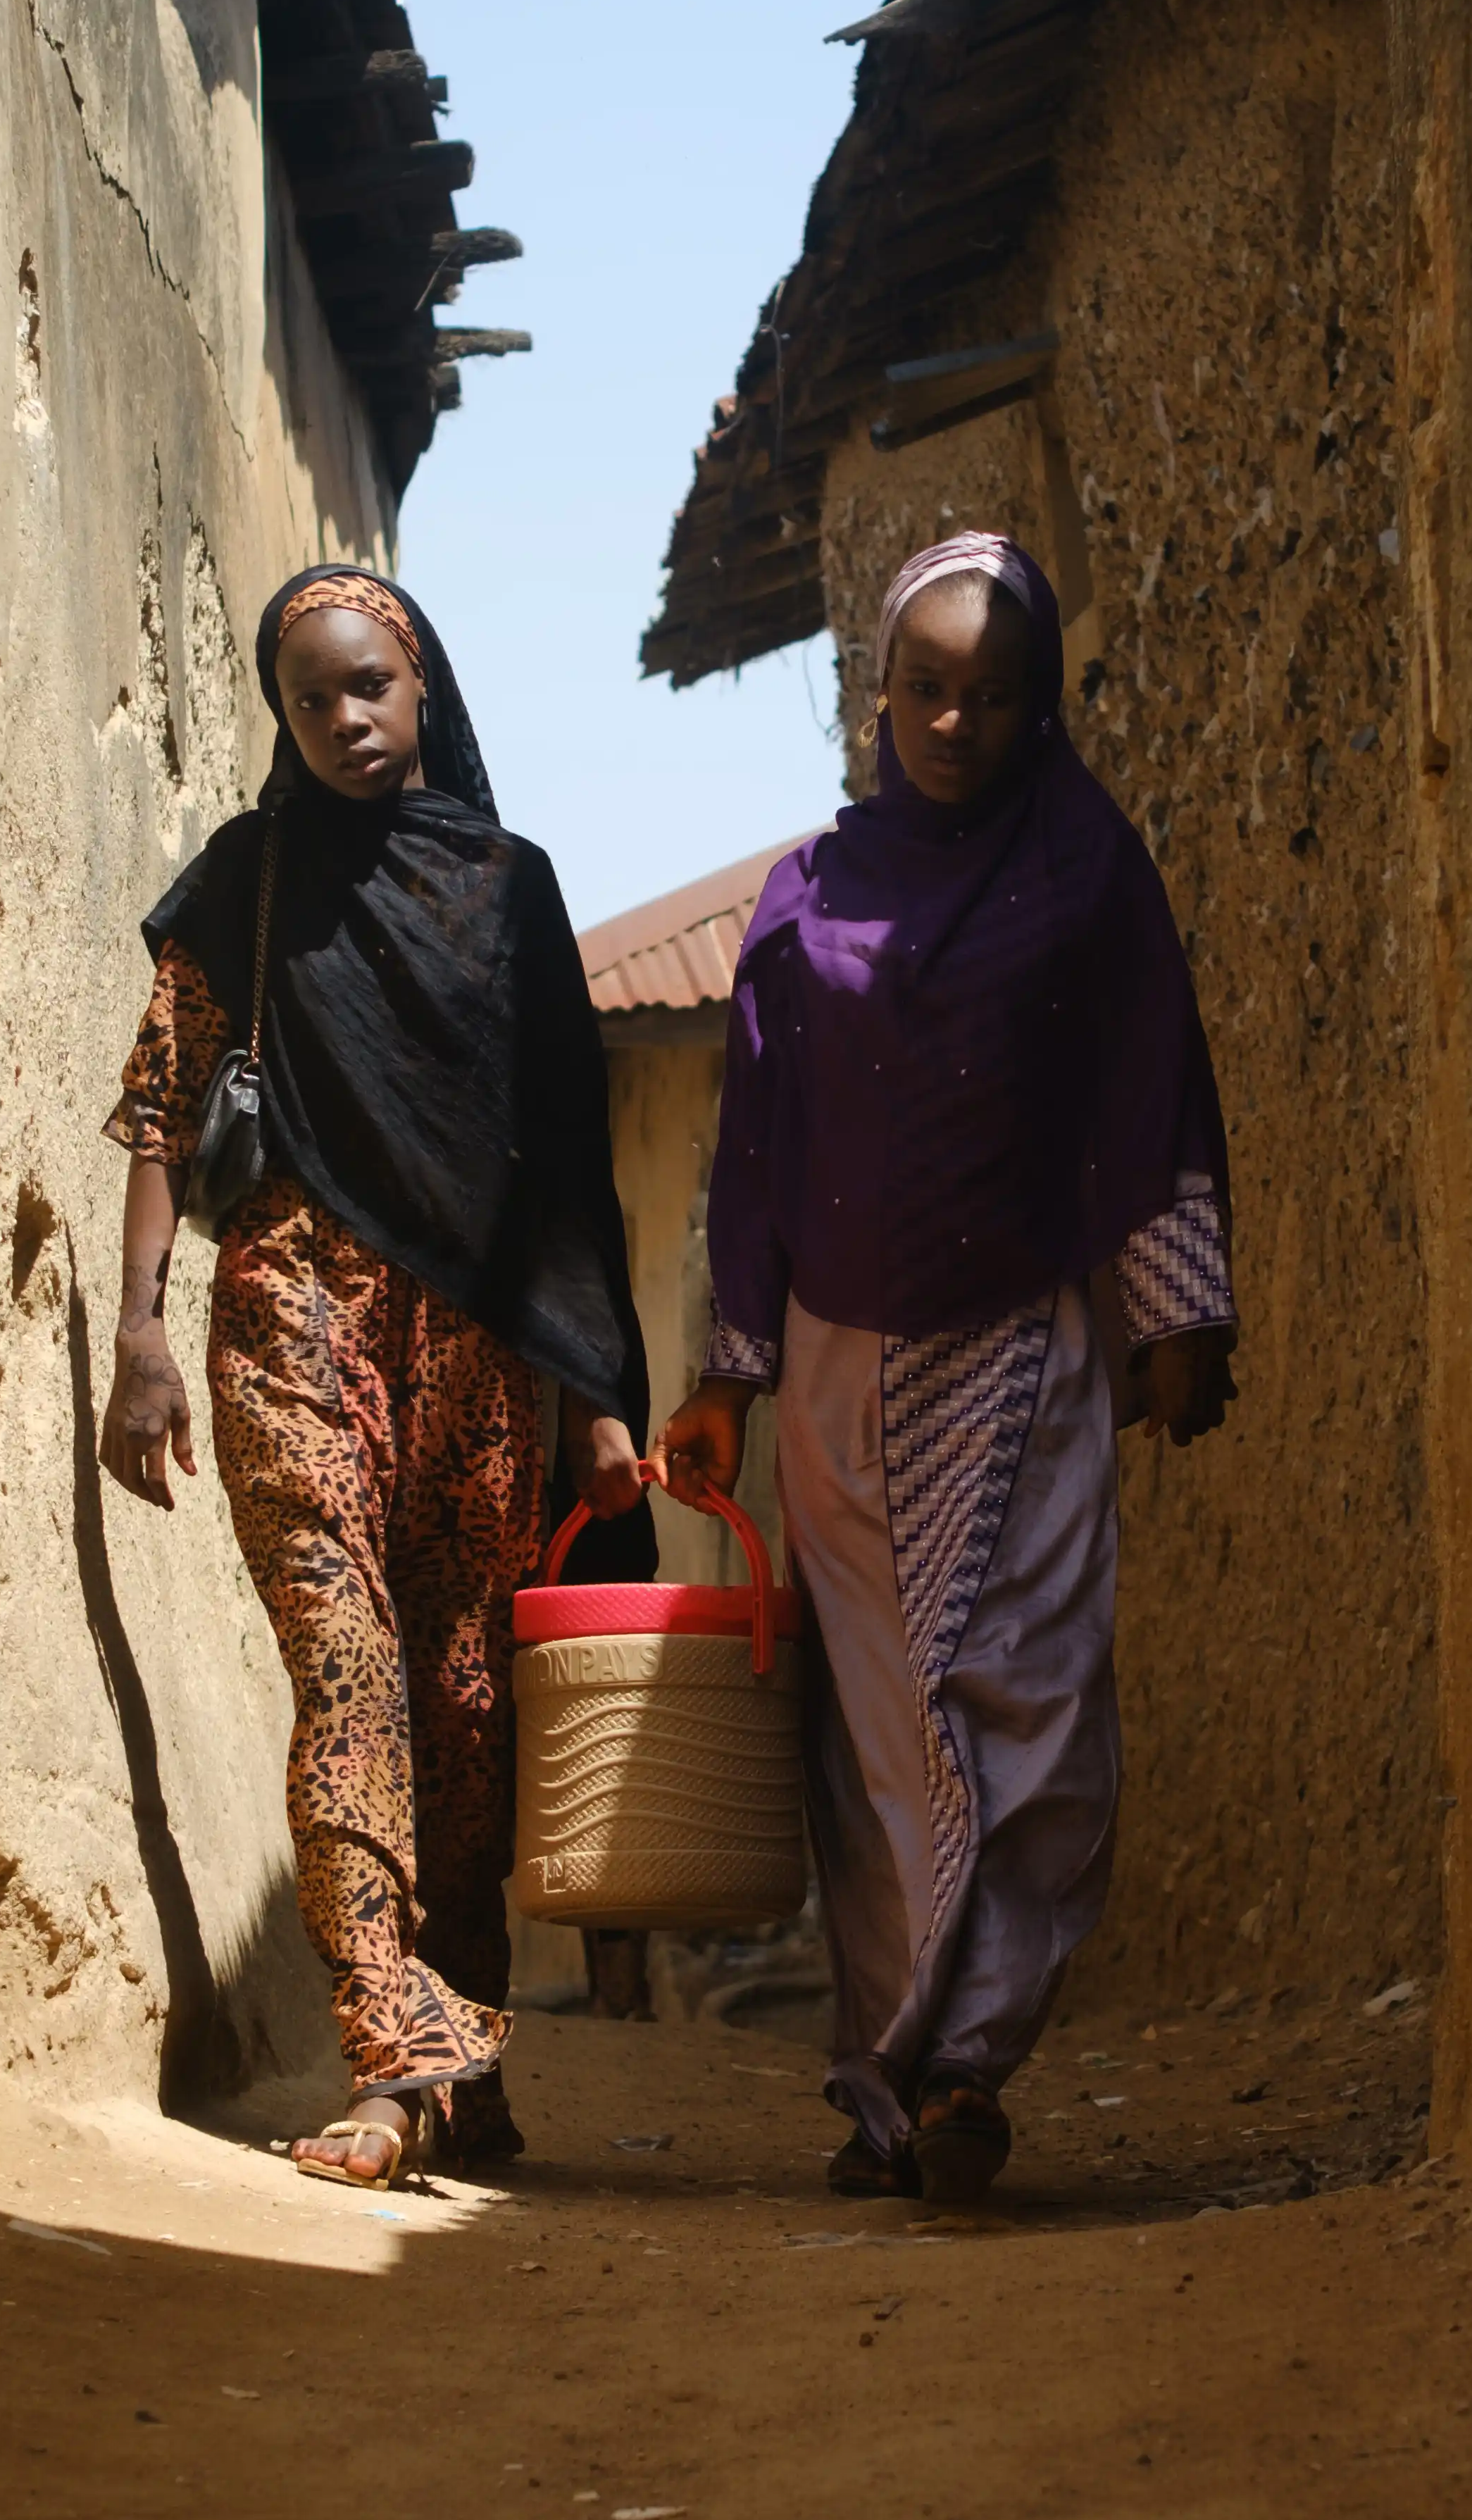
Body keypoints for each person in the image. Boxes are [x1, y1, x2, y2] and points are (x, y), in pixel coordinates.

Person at [656, 530, 1235, 2208]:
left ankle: (974, 2063)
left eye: (993, 692)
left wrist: (1176, 1313)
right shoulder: (808, 900)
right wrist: (730, 1374)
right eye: (924, 687)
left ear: (1039, 697)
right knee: (884, 1731)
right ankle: (890, 2081)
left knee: (1034, 1698)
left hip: (1028, 1343)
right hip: (840, 1356)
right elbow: (752, 1146)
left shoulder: (1091, 870)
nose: (955, 721)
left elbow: (1152, 1088)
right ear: (876, 695)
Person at [101, 564, 651, 2187]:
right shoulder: (246, 885)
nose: (345, 719)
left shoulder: (508, 890)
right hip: (293, 1309)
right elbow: (157, 1106)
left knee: (465, 1712)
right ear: (284, 717)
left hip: (475, 1350)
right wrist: (141, 1330)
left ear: (424, 689)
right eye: (311, 698)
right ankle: (392, 2062)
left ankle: (467, 2050)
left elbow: (567, 1157)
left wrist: (600, 1389)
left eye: (369, 688)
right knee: (346, 1663)